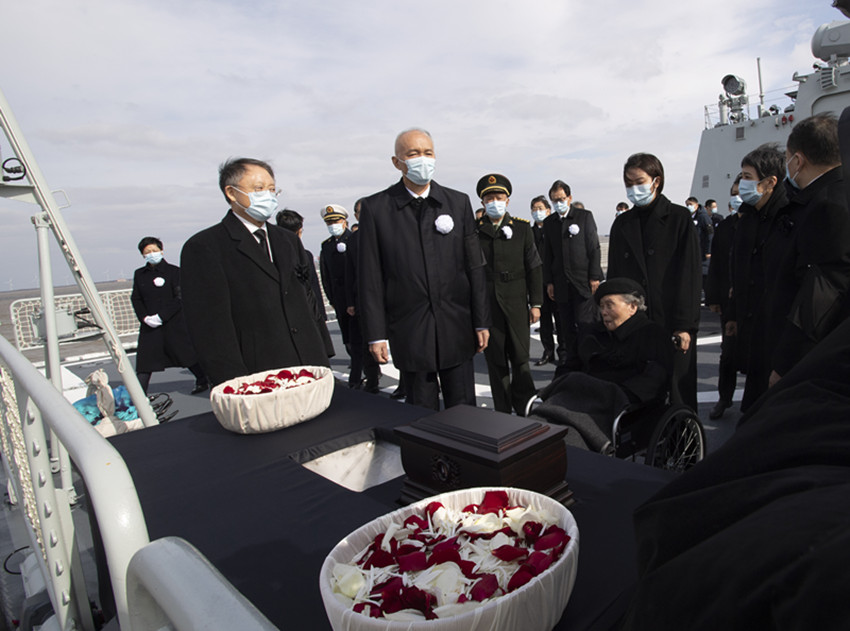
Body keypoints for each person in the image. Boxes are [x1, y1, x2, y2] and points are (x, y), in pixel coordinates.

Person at [358, 128, 490, 410]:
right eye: (413, 154)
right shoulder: (377, 208)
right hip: (410, 329)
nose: (423, 159)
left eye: (428, 153)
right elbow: (370, 277)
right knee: (420, 414)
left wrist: (481, 321)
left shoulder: (457, 202)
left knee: (465, 412)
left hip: (456, 325)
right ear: (397, 162)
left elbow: (475, 267)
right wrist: (376, 334)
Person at [181, 157, 332, 385]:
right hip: (257, 374)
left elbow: (308, 298)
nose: (268, 196)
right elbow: (209, 326)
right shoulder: (205, 247)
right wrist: (233, 382)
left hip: (309, 366)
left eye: (272, 189)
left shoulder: (288, 240)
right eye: (259, 189)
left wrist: (323, 354)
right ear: (231, 193)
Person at [531, 278, 673, 453]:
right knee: (538, 426)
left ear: (632, 307)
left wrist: (619, 396)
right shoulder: (591, 333)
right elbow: (569, 365)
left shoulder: (652, 335)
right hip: (575, 397)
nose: (604, 312)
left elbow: (655, 379)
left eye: (609, 305)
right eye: (602, 306)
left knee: (565, 438)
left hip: (616, 406)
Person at [607, 153, 701, 411]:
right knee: (640, 391)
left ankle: (684, 437)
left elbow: (689, 276)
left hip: (671, 320)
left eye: (639, 182)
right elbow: (614, 278)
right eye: (628, 183)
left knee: (678, 393)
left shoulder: (679, 218)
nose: (633, 189)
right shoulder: (622, 224)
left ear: (656, 181)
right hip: (635, 323)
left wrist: (684, 325)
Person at [763, 113, 850, 387]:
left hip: (817, 357)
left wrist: (786, 363)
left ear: (798, 160)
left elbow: (823, 292)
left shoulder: (827, 206)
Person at [725, 144, 788, 411]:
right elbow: (737, 272)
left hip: (775, 325)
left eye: (748, 177)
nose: (742, 184)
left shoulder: (787, 217)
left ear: (770, 182)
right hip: (749, 320)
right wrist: (732, 315)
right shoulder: (748, 218)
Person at [475, 174, 543, 414]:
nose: (495, 202)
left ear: (508, 200)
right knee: (496, 361)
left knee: (521, 357)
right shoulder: (474, 231)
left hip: (516, 301)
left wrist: (536, 303)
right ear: (483, 203)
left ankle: (525, 406)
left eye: (499, 197)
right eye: (489, 198)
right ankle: (502, 410)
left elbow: (534, 267)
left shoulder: (522, 229)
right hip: (488, 304)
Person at [131, 237, 208, 394]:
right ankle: (139, 395)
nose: (151, 254)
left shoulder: (174, 272)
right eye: (147, 252)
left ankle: (202, 379)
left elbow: (179, 297)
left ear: (161, 251)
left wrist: (161, 316)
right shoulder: (139, 274)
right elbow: (136, 298)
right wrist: (145, 318)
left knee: (187, 355)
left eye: (154, 250)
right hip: (150, 325)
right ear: (143, 255)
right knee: (145, 362)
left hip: (174, 323)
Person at [541, 180, 604, 369]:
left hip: (583, 281)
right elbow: (547, 254)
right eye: (554, 200)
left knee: (586, 325)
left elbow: (593, 248)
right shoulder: (550, 222)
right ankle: (572, 363)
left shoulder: (584, 217)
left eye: (561, 199)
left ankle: (590, 363)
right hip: (561, 283)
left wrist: (595, 276)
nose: (558, 203)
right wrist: (549, 282)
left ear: (569, 198)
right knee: (566, 327)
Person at [705, 177, 742, 419]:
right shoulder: (725, 227)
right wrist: (713, 298)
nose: (738, 197)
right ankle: (724, 398)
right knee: (727, 354)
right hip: (730, 303)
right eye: (734, 193)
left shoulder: (763, 223)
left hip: (755, 300)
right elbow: (716, 265)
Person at [343, 198, 381, 393]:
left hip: (389, 296)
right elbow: (349, 273)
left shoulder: (384, 232)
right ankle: (372, 382)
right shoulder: (353, 241)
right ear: (356, 216)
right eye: (360, 213)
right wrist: (350, 301)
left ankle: (404, 385)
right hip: (364, 299)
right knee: (367, 342)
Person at [275, 208, 327, 322]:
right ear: (299, 231)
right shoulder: (304, 255)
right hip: (307, 313)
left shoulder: (271, 254)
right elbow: (313, 287)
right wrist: (321, 316)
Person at [319, 204, 352, 374]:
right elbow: (326, 274)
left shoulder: (354, 239)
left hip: (354, 295)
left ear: (345, 221)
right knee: (345, 332)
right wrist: (331, 297)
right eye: (329, 223)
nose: (333, 225)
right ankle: (354, 359)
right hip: (338, 297)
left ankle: (369, 367)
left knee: (360, 333)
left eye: (336, 221)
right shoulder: (326, 245)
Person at [530, 195, 561, 365]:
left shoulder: (555, 229)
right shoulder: (529, 232)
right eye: (534, 209)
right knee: (545, 320)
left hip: (555, 281)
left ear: (548, 210)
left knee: (561, 319)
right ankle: (548, 351)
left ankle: (564, 352)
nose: (537, 212)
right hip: (538, 283)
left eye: (540, 209)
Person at [686, 196, 714, 294]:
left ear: (696, 205)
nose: (689, 206)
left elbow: (709, 234)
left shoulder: (703, 217)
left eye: (691, 204)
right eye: (687, 205)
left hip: (703, 251)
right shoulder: (690, 217)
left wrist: (708, 251)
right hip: (694, 250)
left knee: (703, 274)